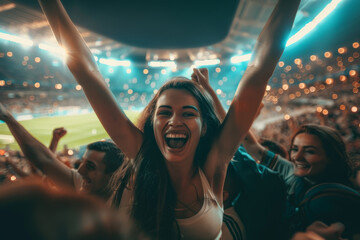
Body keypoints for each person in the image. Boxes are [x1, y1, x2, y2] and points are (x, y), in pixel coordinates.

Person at [38, 0, 301, 238]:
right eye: (164, 112)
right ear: (152, 124)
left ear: (204, 125)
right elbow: (87, 71)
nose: (175, 120)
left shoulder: (215, 163)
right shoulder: (141, 155)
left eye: (188, 113)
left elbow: (259, 68)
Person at [244, 124, 358, 238]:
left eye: (310, 151)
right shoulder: (293, 174)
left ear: (331, 157)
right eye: (295, 149)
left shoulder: (339, 201)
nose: (297, 157)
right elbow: (252, 145)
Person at [0, 103, 124, 201]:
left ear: (113, 176)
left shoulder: (127, 205)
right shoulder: (82, 183)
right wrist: (8, 118)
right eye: (82, 163)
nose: (80, 171)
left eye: (90, 166)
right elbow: (44, 160)